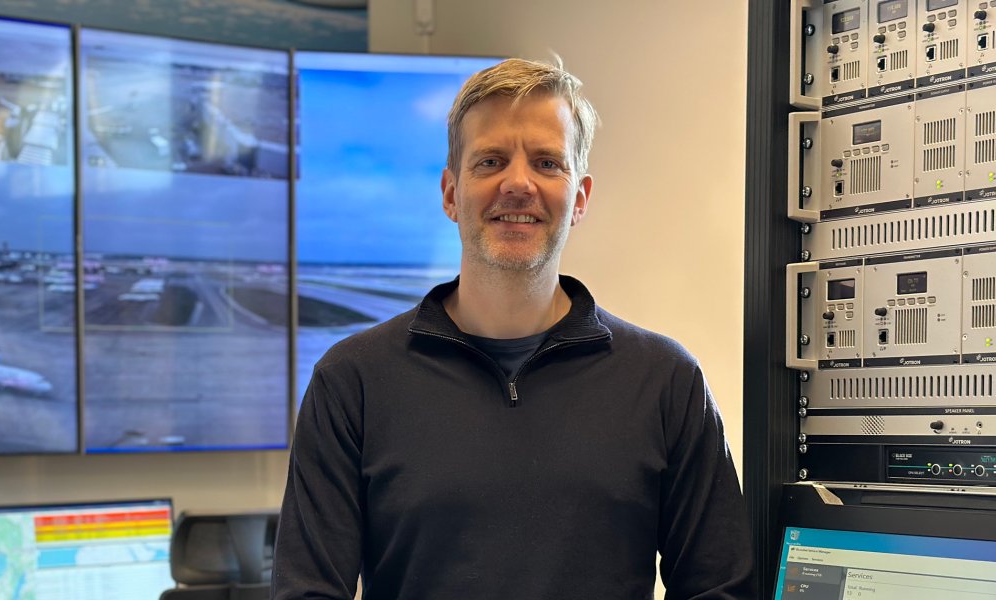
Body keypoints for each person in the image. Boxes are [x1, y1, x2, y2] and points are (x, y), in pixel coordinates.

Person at [271, 57, 754, 599]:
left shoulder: (666, 380)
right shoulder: (351, 382)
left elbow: (719, 589)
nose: (519, 184)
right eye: (491, 161)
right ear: (452, 193)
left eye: (548, 163)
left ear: (580, 198)